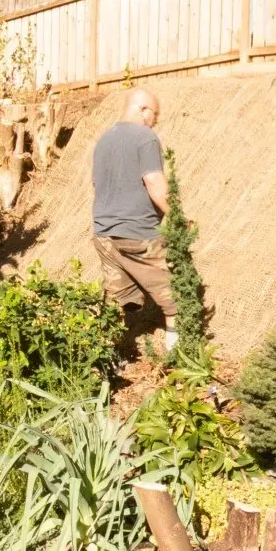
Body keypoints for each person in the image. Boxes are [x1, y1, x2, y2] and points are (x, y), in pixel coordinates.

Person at [91, 87, 178, 352]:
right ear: (143, 110)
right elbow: (153, 180)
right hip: (137, 234)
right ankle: (179, 353)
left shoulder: (104, 140)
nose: (155, 121)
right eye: (155, 115)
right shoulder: (145, 137)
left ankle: (119, 353)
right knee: (175, 292)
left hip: (103, 234)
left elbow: (97, 184)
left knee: (123, 299)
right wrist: (177, 215)